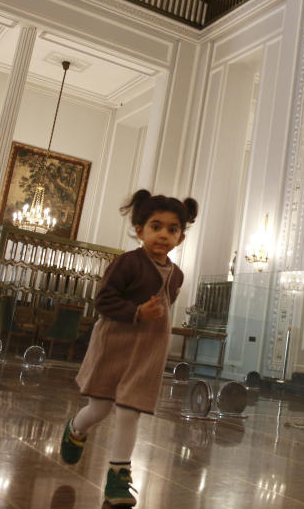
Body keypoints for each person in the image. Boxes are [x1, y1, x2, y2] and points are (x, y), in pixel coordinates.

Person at [60, 189, 198, 507]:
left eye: (172, 229)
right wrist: (136, 312)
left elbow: (165, 303)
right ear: (140, 230)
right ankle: (76, 428)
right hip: (115, 344)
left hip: (148, 349)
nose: (164, 234)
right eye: (156, 226)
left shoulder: (177, 275)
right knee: (101, 408)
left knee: (129, 412)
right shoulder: (127, 263)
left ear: (181, 236)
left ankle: (118, 480)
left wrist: (150, 319)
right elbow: (103, 300)